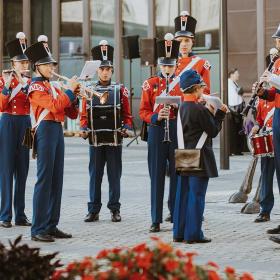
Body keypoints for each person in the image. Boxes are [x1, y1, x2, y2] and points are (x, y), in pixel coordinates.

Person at [25, 35, 80, 242]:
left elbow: (71, 114)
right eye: (47, 65)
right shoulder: (35, 87)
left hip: (57, 130)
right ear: (37, 67)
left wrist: (75, 97)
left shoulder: (54, 86)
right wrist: (69, 90)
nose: (51, 68)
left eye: (52, 64)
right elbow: (55, 106)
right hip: (45, 130)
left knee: (57, 180)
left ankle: (51, 224)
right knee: (44, 179)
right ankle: (37, 228)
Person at [80, 40, 133, 223]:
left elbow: (127, 115)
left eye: (107, 69)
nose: (104, 72)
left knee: (114, 176)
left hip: (114, 139)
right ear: (97, 71)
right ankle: (93, 210)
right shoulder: (89, 90)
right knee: (95, 176)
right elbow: (84, 115)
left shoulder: (121, 90)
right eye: (101, 69)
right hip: (95, 140)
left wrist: (126, 128)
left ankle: (114, 209)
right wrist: (83, 128)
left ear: (111, 70)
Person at [173, 69, 227, 243]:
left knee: (183, 196)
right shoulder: (200, 110)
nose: (203, 90)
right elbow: (212, 131)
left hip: (184, 154)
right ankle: (194, 234)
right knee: (197, 197)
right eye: (201, 87)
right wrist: (220, 114)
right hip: (200, 156)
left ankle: (179, 233)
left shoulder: (182, 107)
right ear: (195, 88)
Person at [139, 33, 182, 233]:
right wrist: (156, 117)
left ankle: (174, 212)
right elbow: (143, 112)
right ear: (159, 65)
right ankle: (155, 218)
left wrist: (176, 108)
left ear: (176, 65)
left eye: (170, 66)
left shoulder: (182, 83)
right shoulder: (150, 84)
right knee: (156, 176)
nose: (167, 70)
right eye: (164, 66)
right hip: (157, 132)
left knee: (177, 174)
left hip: (176, 130)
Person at [0, 32, 31, 228]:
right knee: (6, 170)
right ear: (13, 63)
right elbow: (2, 105)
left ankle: (20, 214)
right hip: (8, 123)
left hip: (25, 123)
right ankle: (5, 215)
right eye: (21, 62)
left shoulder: (30, 82)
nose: (24, 65)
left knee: (23, 170)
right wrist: (9, 85)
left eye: (26, 62)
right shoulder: (3, 80)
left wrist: (23, 83)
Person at [254, 23, 280, 244]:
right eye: (276, 40)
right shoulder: (278, 63)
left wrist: (272, 79)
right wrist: (262, 92)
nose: (277, 43)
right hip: (278, 113)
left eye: (279, 40)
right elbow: (273, 94)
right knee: (279, 169)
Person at [250, 98, 276, 223]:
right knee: (266, 175)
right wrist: (256, 126)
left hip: (278, 135)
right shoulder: (261, 101)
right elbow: (260, 120)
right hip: (267, 139)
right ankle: (265, 211)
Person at [174, 11, 211, 95]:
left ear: (192, 42)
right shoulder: (169, 63)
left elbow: (205, 92)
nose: (183, 44)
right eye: (180, 41)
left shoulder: (202, 64)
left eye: (187, 40)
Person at [228, 68, 245, 155]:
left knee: (238, 129)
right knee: (233, 130)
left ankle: (237, 149)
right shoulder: (229, 83)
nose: (238, 75)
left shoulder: (234, 83)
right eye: (236, 73)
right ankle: (232, 150)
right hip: (233, 109)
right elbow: (233, 97)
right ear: (231, 74)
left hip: (237, 108)